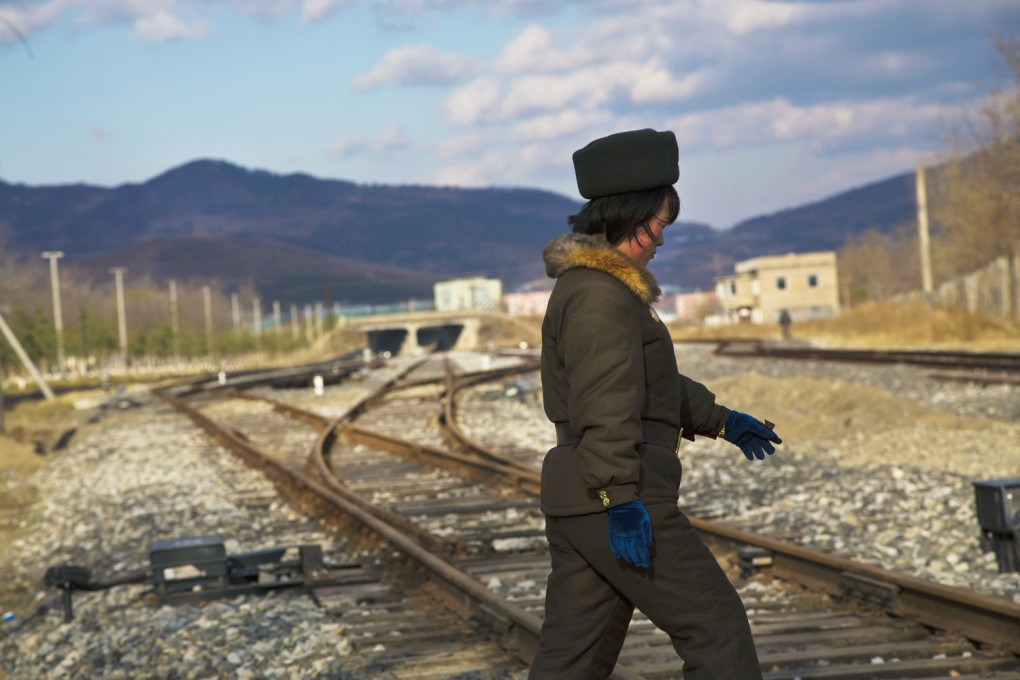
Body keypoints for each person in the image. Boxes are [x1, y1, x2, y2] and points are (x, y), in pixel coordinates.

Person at [531, 128, 782, 679]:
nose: (662, 242)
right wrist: (620, 498)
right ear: (632, 217)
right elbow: (606, 404)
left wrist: (722, 421)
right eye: (660, 226)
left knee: (573, 660)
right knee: (716, 629)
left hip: (585, 497)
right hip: (616, 494)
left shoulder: (599, 291)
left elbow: (647, 384)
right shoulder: (599, 296)